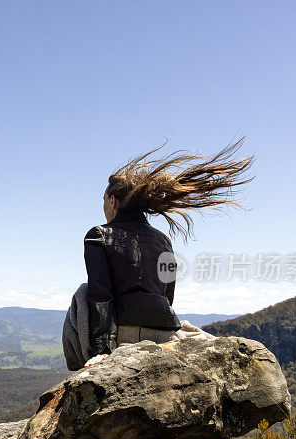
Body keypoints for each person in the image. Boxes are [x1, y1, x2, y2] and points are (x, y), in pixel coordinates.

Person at [82, 138, 253, 366]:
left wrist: (103, 350)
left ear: (112, 201)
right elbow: (167, 295)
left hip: (124, 333)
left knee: (82, 293)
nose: (103, 206)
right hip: (165, 330)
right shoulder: (164, 241)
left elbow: (100, 296)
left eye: (103, 200)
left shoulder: (98, 235)